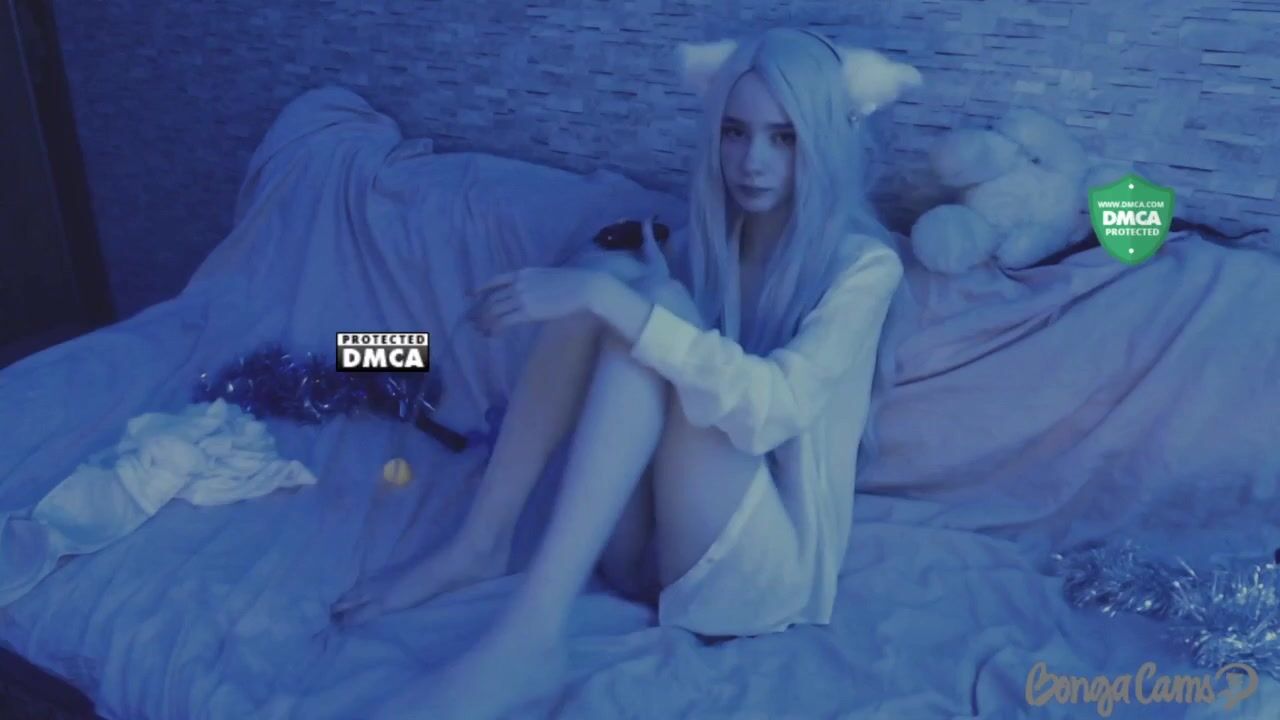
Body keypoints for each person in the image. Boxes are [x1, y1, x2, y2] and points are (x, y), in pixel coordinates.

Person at [333, 26, 918, 719]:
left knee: (634, 301)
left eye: (783, 137)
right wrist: (598, 287)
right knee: (615, 282)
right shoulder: (707, 243)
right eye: (734, 132)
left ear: (823, 139)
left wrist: (614, 299)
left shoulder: (865, 267)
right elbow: (634, 328)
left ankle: (530, 636)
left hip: (759, 578)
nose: (752, 161)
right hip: (652, 553)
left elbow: (775, 409)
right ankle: (479, 543)